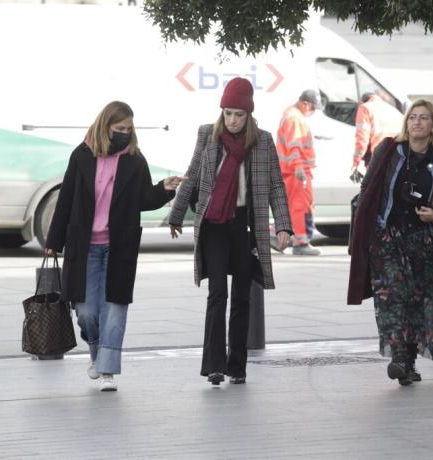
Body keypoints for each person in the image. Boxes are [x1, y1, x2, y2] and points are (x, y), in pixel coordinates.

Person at [44, 101, 183, 392]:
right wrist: (54, 241)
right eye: (119, 128)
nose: (124, 133)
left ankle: (107, 370)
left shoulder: (134, 159)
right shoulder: (81, 155)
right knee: (86, 312)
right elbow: (66, 199)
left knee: (115, 308)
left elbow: (144, 199)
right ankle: (97, 353)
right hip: (84, 246)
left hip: (119, 245)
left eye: (128, 129)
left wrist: (164, 189)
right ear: (105, 126)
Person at [169, 77, 292, 386]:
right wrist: (175, 214)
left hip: (243, 226)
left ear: (249, 114)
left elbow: (276, 185)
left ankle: (236, 366)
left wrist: (284, 225)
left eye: (239, 114)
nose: (233, 120)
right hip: (213, 225)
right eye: (228, 113)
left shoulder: (262, 141)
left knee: (242, 296)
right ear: (221, 113)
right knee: (217, 294)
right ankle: (213, 364)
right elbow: (193, 174)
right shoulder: (207, 137)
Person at [348, 99, 433, 386]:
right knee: (392, 295)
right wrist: (366, 231)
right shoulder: (388, 151)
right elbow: (368, 189)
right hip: (388, 237)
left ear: (432, 125)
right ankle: (398, 355)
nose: (417, 122)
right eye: (413, 117)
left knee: (420, 300)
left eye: (424, 118)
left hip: (426, 241)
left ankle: (410, 362)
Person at [275, 89, 323, 255]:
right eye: (313, 108)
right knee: (300, 207)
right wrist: (298, 167)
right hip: (297, 172)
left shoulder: (291, 115)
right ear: (305, 104)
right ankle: (301, 243)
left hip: (290, 171)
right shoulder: (295, 118)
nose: (314, 112)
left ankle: (279, 235)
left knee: (292, 207)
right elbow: (294, 146)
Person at [350, 91, 404, 182]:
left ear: (362, 102)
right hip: (397, 156)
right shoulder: (393, 110)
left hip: (377, 157)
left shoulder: (365, 108)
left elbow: (362, 140)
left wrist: (355, 163)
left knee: (374, 191)